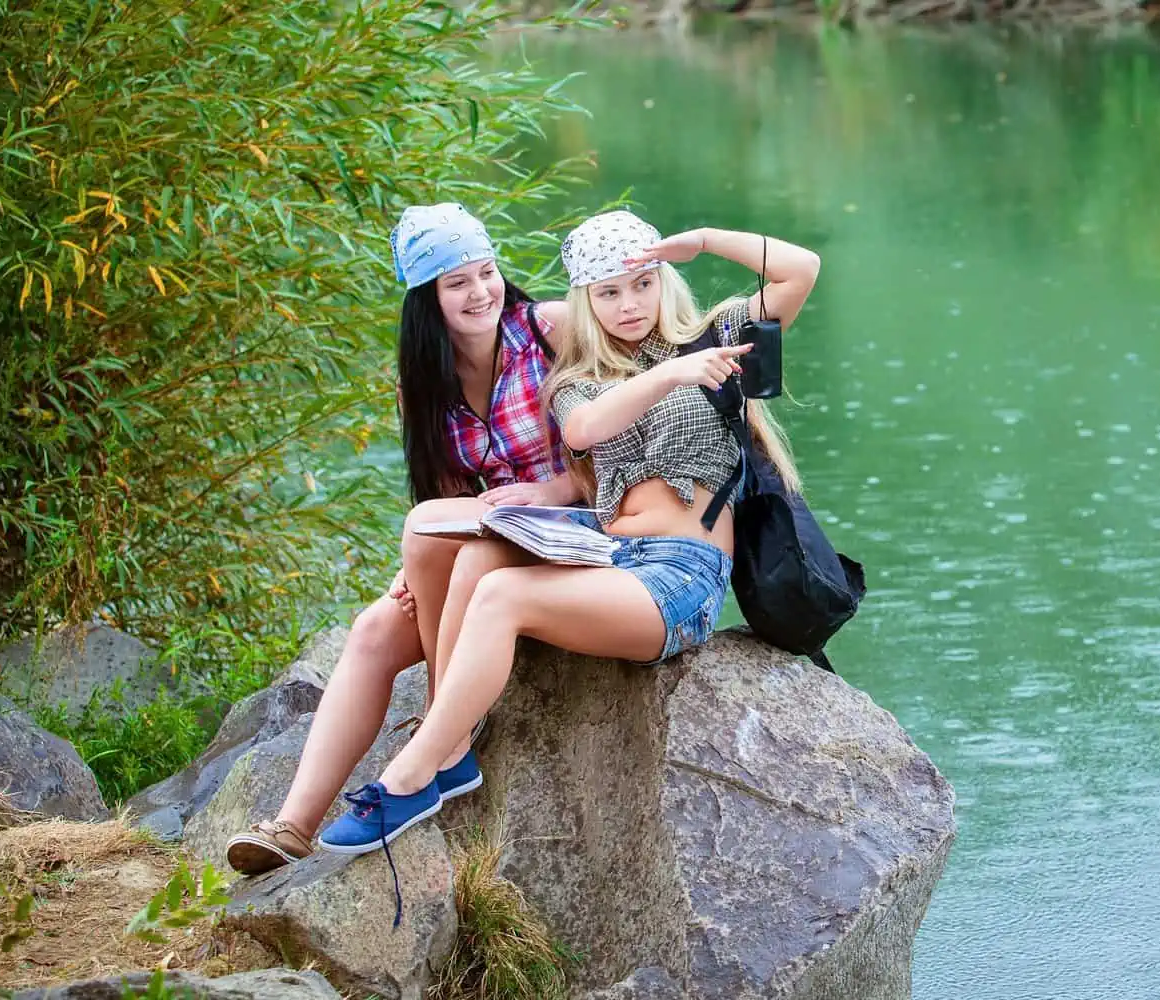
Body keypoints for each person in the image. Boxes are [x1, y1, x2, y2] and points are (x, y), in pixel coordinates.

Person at [309, 209, 820, 912]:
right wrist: (670, 375)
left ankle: (412, 772)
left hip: (679, 576)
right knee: (476, 564)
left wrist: (701, 240)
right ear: (585, 301)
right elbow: (585, 428)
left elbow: (801, 269)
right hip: (609, 556)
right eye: (608, 293)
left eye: (642, 284)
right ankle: (445, 751)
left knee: (502, 597)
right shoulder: (581, 376)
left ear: (663, 280)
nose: (629, 305)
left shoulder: (716, 342)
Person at [224, 204, 581, 876]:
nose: (481, 292)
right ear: (427, 299)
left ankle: (447, 746)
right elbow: (444, 493)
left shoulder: (552, 330)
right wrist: (418, 572)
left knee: (451, 544)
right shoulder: (422, 380)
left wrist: (556, 491)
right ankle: (291, 828)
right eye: (457, 282)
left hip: (576, 534)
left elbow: (622, 444)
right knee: (372, 632)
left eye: (486, 271)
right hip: (488, 538)